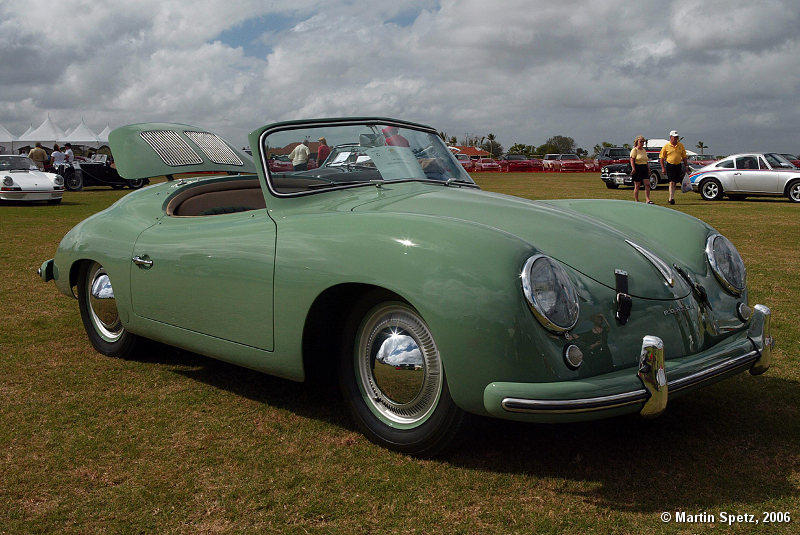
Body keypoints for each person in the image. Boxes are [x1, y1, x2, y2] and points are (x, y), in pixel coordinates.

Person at [659, 130, 688, 205]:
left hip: (678, 165)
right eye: (674, 137)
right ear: (670, 137)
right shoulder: (666, 146)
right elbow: (661, 158)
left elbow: (684, 156)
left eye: (677, 137)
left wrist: (686, 165)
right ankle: (671, 198)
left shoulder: (681, 145)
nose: (676, 139)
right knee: (671, 182)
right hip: (670, 165)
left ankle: (672, 196)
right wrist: (663, 168)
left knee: (675, 182)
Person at [630, 135, 652, 204]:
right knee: (637, 185)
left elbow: (646, 161)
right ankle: (636, 200)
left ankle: (647, 199)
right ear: (637, 142)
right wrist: (633, 168)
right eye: (641, 142)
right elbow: (632, 160)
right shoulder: (635, 150)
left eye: (643, 142)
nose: (642, 143)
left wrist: (648, 169)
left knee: (647, 184)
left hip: (644, 167)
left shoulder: (644, 150)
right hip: (637, 167)